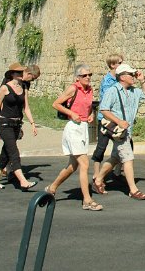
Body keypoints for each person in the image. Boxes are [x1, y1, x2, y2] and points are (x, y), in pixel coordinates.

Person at [94, 63, 145, 200]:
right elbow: (104, 109)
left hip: (127, 131)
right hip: (119, 131)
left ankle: (98, 179)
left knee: (115, 158)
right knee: (128, 158)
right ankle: (133, 190)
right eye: (131, 74)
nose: (133, 76)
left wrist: (142, 81)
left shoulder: (134, 91)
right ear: (122, 77)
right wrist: (119, 121)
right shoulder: (112, 91)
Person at [45, 64, 100, 210]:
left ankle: (52, 187)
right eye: (84, 75)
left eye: (90, 75)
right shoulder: (73, 88)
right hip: (73, 128)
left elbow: (88, 107)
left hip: (83, 128)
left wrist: (90, 114)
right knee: (84, 163)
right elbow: (56, 104)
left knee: (72, 166)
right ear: (77, 77)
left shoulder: (90, 90)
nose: (88, 77)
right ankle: (87, 200)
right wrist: (71, 113)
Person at [0, 63, 39, 190]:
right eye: (19, 72)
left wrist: (32, 124)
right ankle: (23, 181)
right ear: (13, 74)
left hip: (16, 124)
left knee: (6, 152)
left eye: (22, 72)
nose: (21, 74)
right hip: (4, 123)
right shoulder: (4, 88)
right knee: (14, 152)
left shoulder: (24, 87)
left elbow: (26, 107)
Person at [91, 53, 124, 190]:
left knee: (125, 145)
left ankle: (117, 171)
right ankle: (96, 174)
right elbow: (108, 100)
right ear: (112, 65)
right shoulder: (107, 81)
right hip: (105, 119)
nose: (122, 64)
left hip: (118, 119)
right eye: (120, 63)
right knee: (101, 147)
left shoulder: (120, 79)